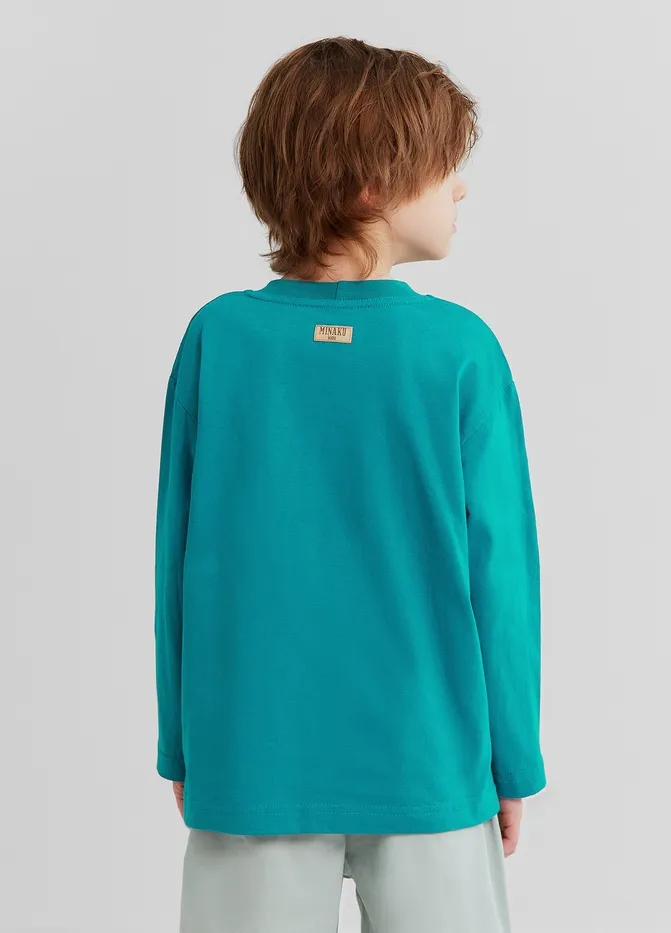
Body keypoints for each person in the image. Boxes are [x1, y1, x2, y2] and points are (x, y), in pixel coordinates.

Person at [154, 35, 546, 933]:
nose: (460, 187)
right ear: (373, 184)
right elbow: (502, 576)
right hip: (430, 754)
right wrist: (513, 758)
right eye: (445, 164)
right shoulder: (460, 350)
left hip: (252, 751)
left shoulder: (218, 340)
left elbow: (178, 561)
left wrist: (184, 740)